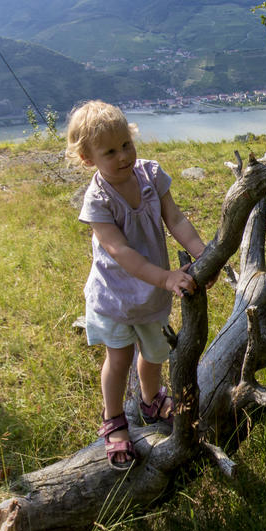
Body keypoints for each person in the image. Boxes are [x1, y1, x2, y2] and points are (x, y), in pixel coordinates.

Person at [66, 100, 208, 468]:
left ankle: (150, 399)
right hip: (114, 296)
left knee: (154, 352)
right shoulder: (97, 200)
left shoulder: (151, 176)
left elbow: (174, 219)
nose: (123, 156)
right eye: (109, 152)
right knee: (119, 357)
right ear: (87, 159)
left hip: (151, 293)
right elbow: (121, 252)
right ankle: (114, 420)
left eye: (125, 144)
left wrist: (204, 254)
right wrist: (166, 277)